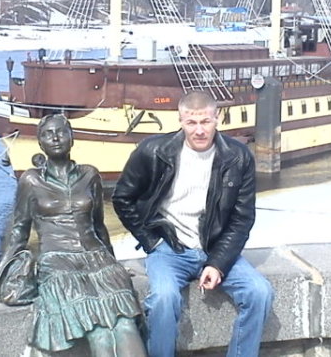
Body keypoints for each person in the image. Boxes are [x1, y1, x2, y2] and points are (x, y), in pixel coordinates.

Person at [112, 90, 274, 357]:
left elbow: (242, 218)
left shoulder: (238, 156)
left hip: (214, 246)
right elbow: (122, 198)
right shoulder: (153, 151)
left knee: (259, 292)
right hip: (169, 248)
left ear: (217, 119)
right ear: (181, 121)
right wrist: (151, 241)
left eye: (205, 122)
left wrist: (218, 263)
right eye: (191, 123)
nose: (199, 130)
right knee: (163, 299)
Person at [0, 114, 146, 357]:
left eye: (61, 132)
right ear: (40, 143)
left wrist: (114, 263)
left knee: (125, 324)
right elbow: (19, 230)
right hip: (58, 262)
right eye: (47, 134)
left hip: (97, 259)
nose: (55, 138)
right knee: (98, 329)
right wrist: (2, 271)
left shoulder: (90, 175)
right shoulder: (31, 180)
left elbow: (98, 225)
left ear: (72, 138)